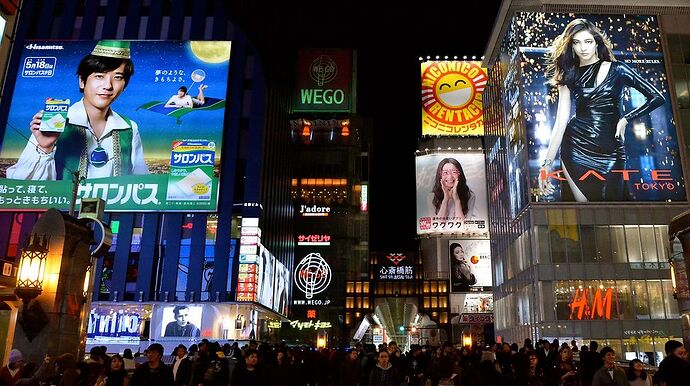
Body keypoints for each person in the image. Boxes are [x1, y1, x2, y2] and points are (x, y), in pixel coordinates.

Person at [539, 18, 665, 202]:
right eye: (577, 43)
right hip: (576, 147)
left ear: (597, 42)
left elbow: (657, 97)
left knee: (612, 208)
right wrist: (546, 165)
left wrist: (625, 119)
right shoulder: (568, 74)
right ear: (571, 47)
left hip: (612, 150)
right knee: (587, 214)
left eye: (588, 41)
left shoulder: (618, 69)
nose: (583, 48)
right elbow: (560, 122)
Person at [7, 40, 149, 181]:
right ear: (82, 80)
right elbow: (23, 186)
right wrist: (44, 148)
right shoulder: (55, 121)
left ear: (124, 85)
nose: (108, 85)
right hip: (64, 204)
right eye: (99, 76)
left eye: (118, 77)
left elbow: (140, 182)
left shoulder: (129, 128)